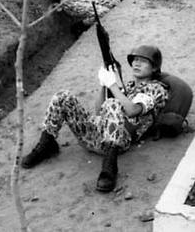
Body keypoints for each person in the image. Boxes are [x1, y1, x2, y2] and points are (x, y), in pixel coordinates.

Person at [22, 45, 169, 193]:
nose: (137, 64)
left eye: (143, 61)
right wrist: (104, 85)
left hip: (120, 140)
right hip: (96, 134)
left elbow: (132, 110)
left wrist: (113, 86)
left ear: (155, 67)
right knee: (62, 96)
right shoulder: (129, 87)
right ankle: (47, 143)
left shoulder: (156, 89)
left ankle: (109, 168)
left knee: (113, 103)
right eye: (135, 60)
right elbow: (99, 111)